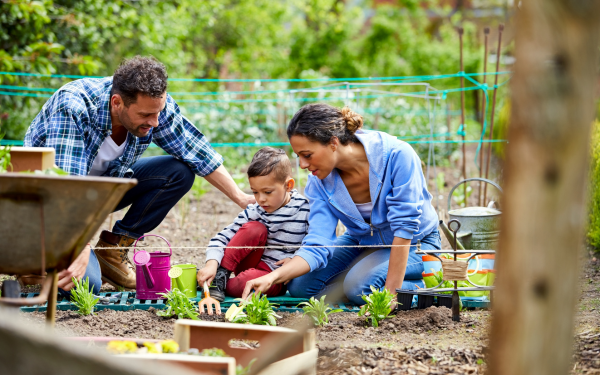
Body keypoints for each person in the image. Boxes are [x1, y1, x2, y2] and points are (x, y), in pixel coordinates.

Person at [22, 56, 254, 295]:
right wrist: (80, 248)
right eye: (145, 116)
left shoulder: (154, 107)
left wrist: (240, 197)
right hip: (44, 205)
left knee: (178, 173)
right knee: (86, 285)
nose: (154, 122)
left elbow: (196, 151)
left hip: (99, 191)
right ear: (117, 103)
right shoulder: (73, 106)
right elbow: (64, 187)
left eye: (158, 113)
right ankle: (31, 260)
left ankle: (111, 252)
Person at [241, 103, 441, 306]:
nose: (301, 165)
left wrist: (391, 295)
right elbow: (318, 240)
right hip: (362, 242)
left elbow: (404, 228)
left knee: (360, 289)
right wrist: (274, 276)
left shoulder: (397, 156)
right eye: (298, 156)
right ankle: (359, 276)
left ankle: (433, 279)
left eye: (307, 155)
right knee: (300, 286)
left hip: (417, 243)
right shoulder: (319, 181)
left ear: (333, 143)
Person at [197, 147, 310, 301]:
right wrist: (212, 264)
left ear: (288, 185)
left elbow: (314, 245)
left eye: (267, 192)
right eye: (255, 192)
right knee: (254, 228)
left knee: (246, 283)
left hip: (274, 277)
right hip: (249, 262)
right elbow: (222, 238)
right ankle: (218, 276)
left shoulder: (305, 210)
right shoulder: (256, 210)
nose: (261, 199)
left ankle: (215, 283)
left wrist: (296, 260)